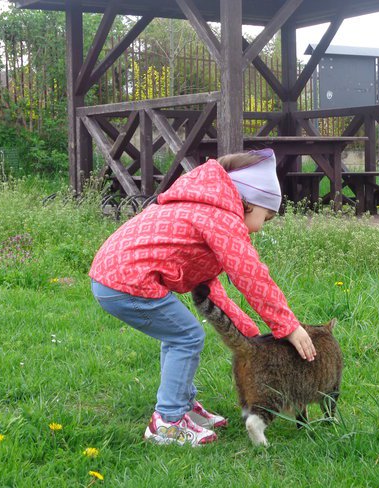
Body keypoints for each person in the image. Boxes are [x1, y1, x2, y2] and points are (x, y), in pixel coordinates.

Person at [89, 148, 316, 446]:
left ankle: (182, 404)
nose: (262, 227)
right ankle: (168, 422)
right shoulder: (221, 217)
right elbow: (251, 275)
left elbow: (207, 287)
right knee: (187, 336)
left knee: (178, 334)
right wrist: (288, 326)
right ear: (248, 202)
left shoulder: (204, 207)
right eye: (267, 217)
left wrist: (250, 334)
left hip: (114, 277)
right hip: (125, 282)